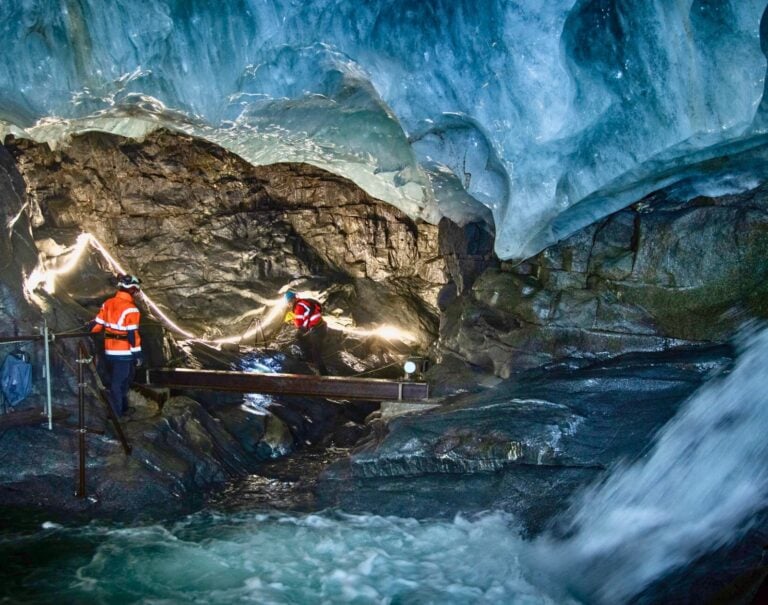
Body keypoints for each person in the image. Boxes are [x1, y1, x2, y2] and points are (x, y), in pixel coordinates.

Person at [89, 274, 144, 417]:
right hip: (124, 353)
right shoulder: (131, 309)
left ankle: (124, 408)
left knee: (120, 381)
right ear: (132, 289)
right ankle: (117, 415)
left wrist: (87, 330)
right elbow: (132, 335)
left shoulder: (108, 303)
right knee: (119, 384)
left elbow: (98, 324)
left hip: (109, 350)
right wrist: (137, 355)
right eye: (136, 290)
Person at [283, 290, 329, 375]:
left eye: (288, 303)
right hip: (320, 327)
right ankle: (308, 359)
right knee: (304, 339)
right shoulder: (303, 303)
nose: (288, 305)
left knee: (316, 353)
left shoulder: (299, 306)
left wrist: (299, 328)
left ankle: (324, 375)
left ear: (291, 300)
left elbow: (300, 322)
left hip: (318, 329)